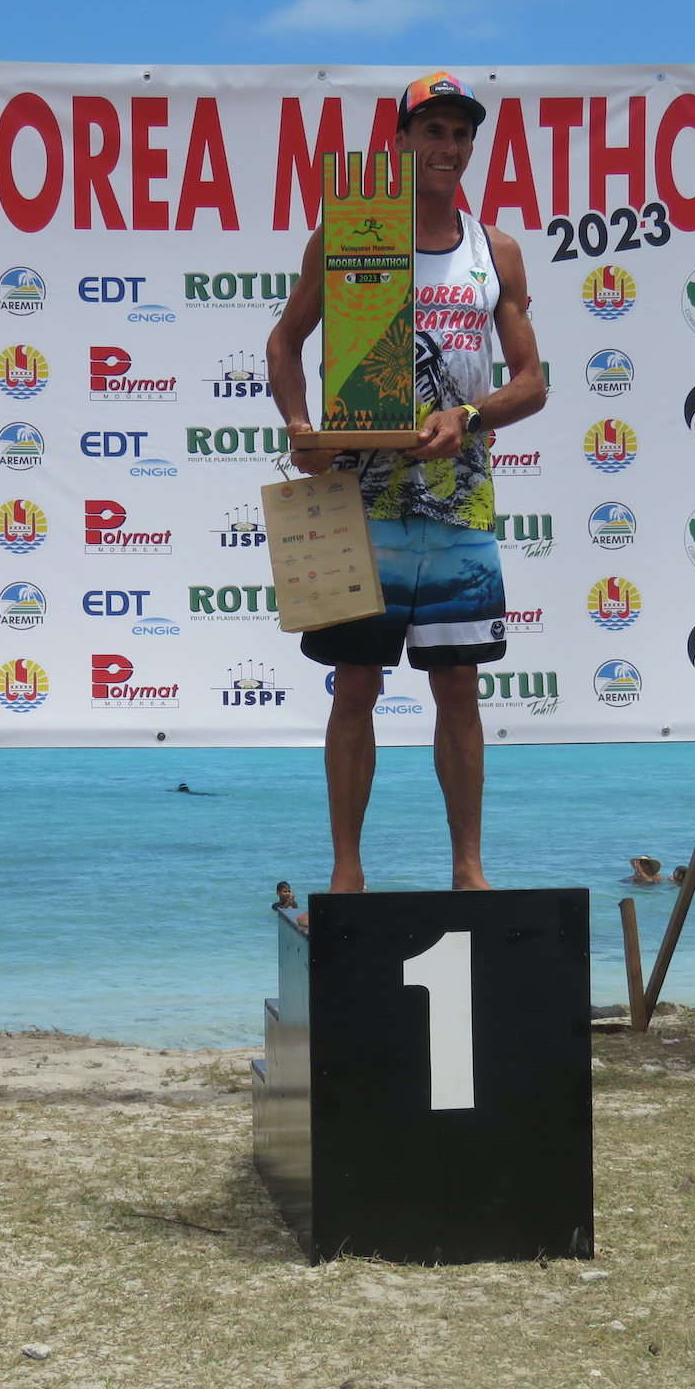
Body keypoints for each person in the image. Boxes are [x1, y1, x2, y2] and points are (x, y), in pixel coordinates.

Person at [266, 71, 546, 895]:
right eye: (433, 132)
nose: (449, 148)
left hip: (459, 498)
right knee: (356, 680)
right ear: (399, 142)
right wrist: (300, 429)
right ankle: (348, 871)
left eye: (461, 134)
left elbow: (531, 381)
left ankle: (469, 869)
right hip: (361, 497)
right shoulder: (350, 233)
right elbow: (285, 344)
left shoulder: (494, 250)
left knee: (458, 684)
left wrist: (472, 417)